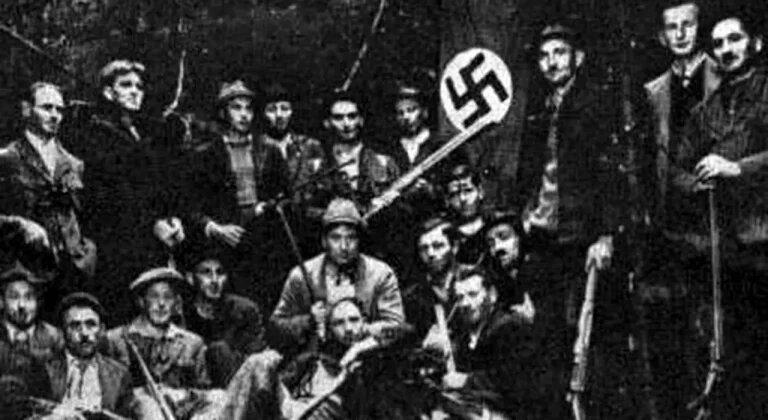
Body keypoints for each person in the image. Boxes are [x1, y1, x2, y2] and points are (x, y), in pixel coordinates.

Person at [514, 22, 622, 418]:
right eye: (544, 56)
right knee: (547, 336)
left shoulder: (595, 106)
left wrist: (605, 234)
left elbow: (611, 175)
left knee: (586, 336)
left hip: (581, 238)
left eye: (559, 53)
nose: (551, 62)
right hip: (544, 238)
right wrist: (525, 215)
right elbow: (531, 172)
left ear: (578, 58)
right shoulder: (541, 108)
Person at [669, 13, 768, 419]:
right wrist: (697, 182)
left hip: (763, 241)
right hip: (725, 251)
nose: (726, 50)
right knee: (733, 352)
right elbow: (676, 169)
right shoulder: (706, 110)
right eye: (719, 44)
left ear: (755, 43)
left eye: (735, 39)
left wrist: (736, 168)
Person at [641, 2, 720, 417]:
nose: (681, 33)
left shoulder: (725, 77)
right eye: (672, 27)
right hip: (674, 224)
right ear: (662, 36)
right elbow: (656, 160)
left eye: (687, 24)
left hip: (720, 219)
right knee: (678, 327)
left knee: (718, 326)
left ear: (698, 28)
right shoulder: (653, 92)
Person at [74, 60, 186, 324]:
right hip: (117, 247)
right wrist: (152, 224)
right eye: (126, 85)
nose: (135, 91)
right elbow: (111, 196)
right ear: (108, 92)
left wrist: (171, 218)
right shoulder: (96, 133)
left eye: (139, 86)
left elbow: (158, 187)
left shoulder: (142, 130)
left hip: (150, 243)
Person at [184, 79, 289, 303]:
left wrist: (269, 207)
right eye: (236, 108)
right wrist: (215, 228)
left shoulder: (269, 151)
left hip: (264, 243)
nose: (244, 115)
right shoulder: (204, 154)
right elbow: (190, 206)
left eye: (248, 109)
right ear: (223, 113)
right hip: (223, 244)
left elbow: (286, 196)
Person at [270, 198, 405, 358]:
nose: (344, 246)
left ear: (359, 240)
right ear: (324, 241)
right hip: (318, 359)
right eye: (336, 238)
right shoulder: (301, 276)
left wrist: (361, 336)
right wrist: (308, 320)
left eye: (351, 238)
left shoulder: (380, 273)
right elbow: (276, 328)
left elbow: (396, 326)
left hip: (370, 355)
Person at [0, 82, 96, 288]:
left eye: (59, 110)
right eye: (47, 107)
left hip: (73, 274)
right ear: (26, 109)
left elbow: (88, 217)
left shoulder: (73, 164)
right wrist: (20, 225)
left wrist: (88, 254)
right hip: (26, 275)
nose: (54, 115)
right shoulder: (8, 159)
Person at [105, 267, 226, 420]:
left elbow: (202, 388)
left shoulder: (192, 343)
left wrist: (180, 395)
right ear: (141, 301)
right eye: (154, 297)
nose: (161, 304)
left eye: (168, 297)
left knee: (220, 397)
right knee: (146, 404)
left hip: (180, 410)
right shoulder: (116, 339)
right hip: (135, 412)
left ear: (176, 303)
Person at [423, 268, 541, 419]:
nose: (465, 303)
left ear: (492, 295)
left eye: (473, 294)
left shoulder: (510, 327)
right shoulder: (466, 334)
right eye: (460, 298)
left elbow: (512, 379)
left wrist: (466, 380)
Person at [182, 245, 266, 387]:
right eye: (206, 273)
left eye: (220, 273)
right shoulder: (183, 313)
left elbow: (256, 359)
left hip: (238, 386)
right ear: (190, 278)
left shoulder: (244, 311)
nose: (215, 280)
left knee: (219, 349)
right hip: (195, 386)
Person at [38, 292, 133, 419]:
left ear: (101, 329)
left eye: (90, 324)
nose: (84, 333)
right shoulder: (45, 369)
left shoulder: (119, 374)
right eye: (75, 325)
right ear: (62, 332)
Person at [323, 92, 400, 209]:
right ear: (327, 123)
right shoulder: (321, 162)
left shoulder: (383, 161)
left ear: (361, 120)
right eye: (338, 118)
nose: (346, 124)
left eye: (352, 116)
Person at [401, 216, 470, 341]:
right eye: (424, 248)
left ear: (455, 247)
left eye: (438, 246)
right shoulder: (412, 296)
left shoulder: (473, 278)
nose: (430, 254)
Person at [0, 264, 63, 365]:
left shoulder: (54, 337)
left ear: (38, 301)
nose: (21, 305)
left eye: (29, 297)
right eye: (14, 297)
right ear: (2, 301)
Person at [483, 210, 534, 322]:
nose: (497, 247)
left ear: (519, 237)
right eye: (491, 243)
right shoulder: (498, 284)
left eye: (504, 237)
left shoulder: (542, 274)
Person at [443, 164, 487, 265]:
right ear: (447, 200)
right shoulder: (444, 234)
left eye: (468, 190)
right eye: (454, 194)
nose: (462, 198)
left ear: (480, 192)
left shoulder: (495, 223)